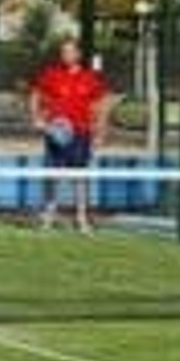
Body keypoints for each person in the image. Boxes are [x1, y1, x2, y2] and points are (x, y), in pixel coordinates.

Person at [27, 35, 115, 233]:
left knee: (80, 176)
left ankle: (81, 218)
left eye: (70, 51)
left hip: (81, 134)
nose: (66, 55)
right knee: (52, 175)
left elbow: (101, 106)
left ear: (78, 54)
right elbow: (35, 95)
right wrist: (37, 119)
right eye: (63, 52)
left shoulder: (89, 78)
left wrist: (100, 133)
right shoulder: (52, 74)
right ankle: (48, 217)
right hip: (56, 134)